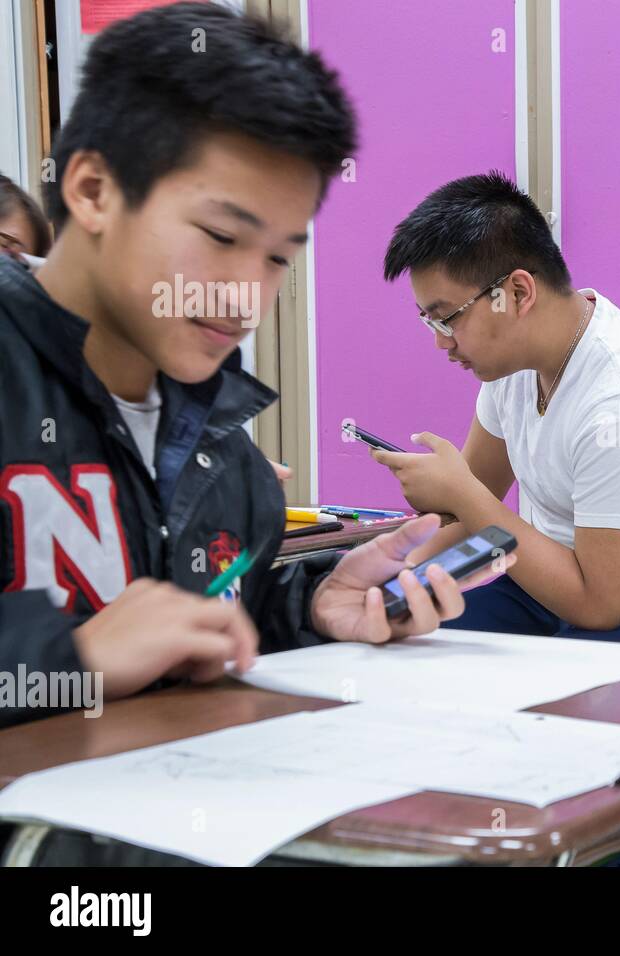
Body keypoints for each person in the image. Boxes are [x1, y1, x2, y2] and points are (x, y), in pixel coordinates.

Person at [0, 2, 510, 734]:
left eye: (277, 258)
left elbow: (198, 630)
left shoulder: (222, 449)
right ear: (92, 191)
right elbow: (98, 655)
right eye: (219, 235)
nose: (246, 297)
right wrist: (69, 661)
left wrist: (310, 605)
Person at [377, 172, 620, 654]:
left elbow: (600, 606)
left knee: (583, 689)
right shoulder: (509, 369)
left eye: (448, 318)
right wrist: (391, 582)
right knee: (423, 646)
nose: (441, 341)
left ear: (519, 294)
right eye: (429, 321)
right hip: (558, 588)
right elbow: (464, 520)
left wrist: (461, 494)